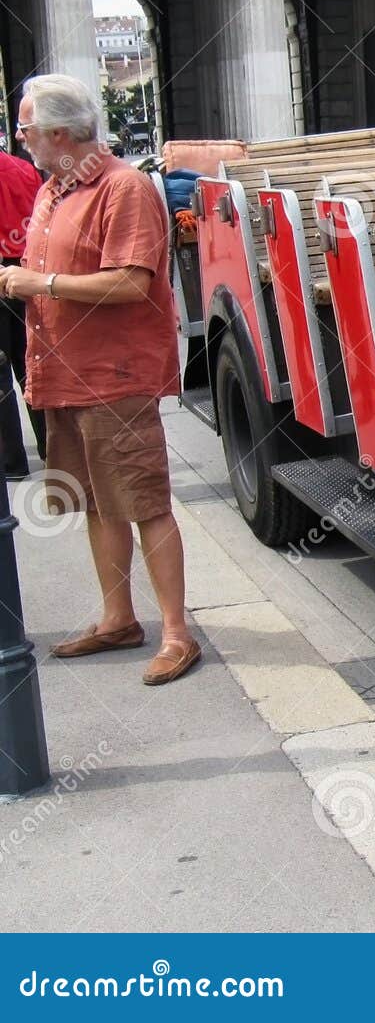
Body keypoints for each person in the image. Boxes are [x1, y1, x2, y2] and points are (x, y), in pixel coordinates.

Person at [0, 74, 199, 686]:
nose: (19, 137)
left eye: (26, 128)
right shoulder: (54, 189)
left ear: (59, 132)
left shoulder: (125, 187)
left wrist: (40, 285)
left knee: (143, 503)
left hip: (114, 380)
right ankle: (119, 618)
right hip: (65, 375)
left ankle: (176, 632)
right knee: (94, 500)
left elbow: (132, 282)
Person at [1, 140, 44, 478]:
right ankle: (51, 445)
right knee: (29, 361)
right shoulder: (25, 169)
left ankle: (12, 460)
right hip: (26, 268)